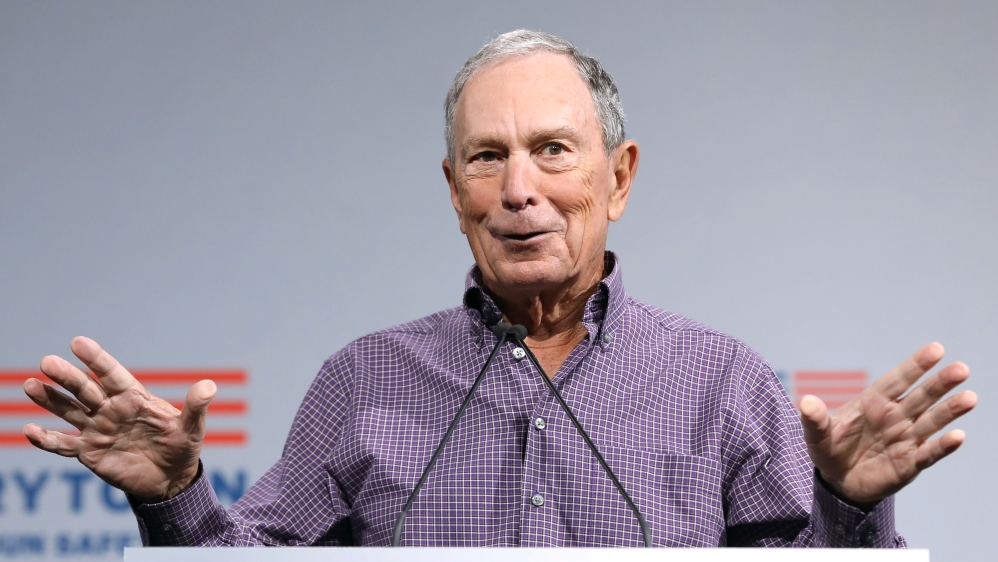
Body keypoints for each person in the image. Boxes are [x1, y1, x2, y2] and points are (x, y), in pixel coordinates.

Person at [22, 30, 976, 548]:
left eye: (552, 151)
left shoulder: (721, 381)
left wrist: (848, 507)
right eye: (487, 157)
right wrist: (179, 496)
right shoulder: (363, 380)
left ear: (621, 176)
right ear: (454, 191)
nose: (519, 189)